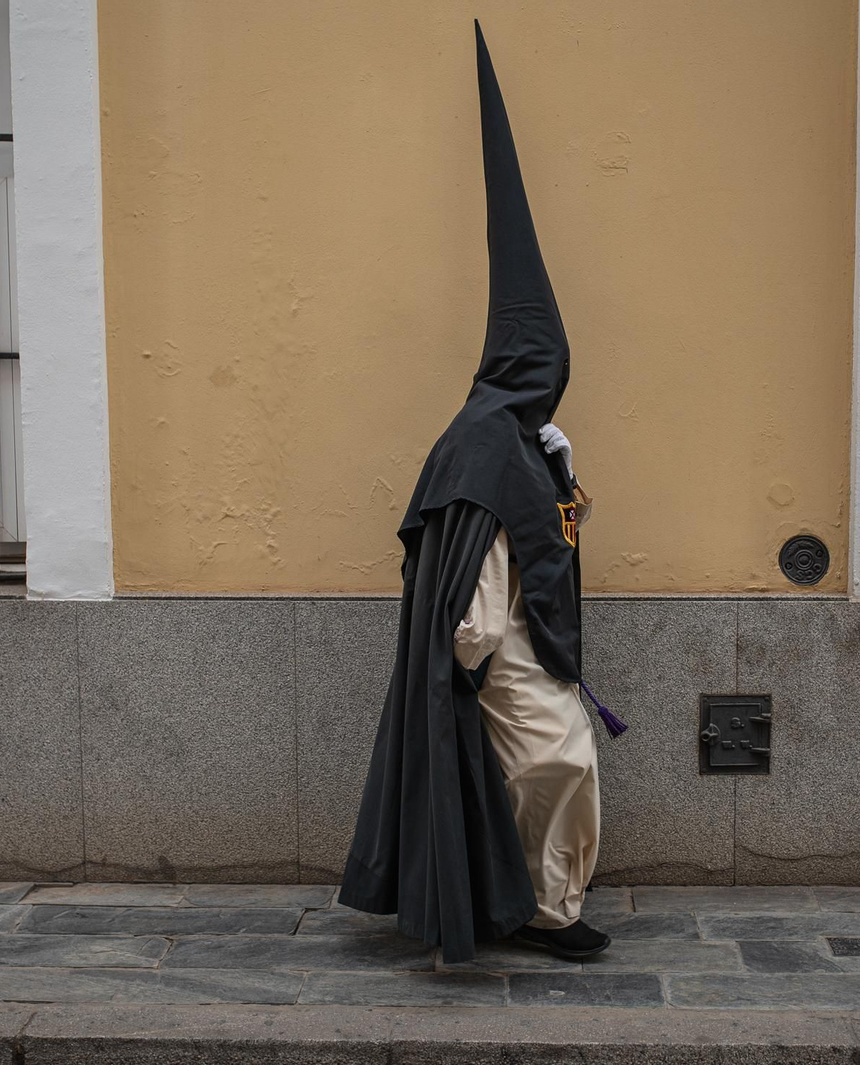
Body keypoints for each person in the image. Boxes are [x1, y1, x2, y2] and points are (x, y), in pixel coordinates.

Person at [337, 21, 623, 964]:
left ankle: (541, 901)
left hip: (527, 647)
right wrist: (475, 657)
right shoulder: (481, 444)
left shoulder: (515, 440)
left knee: (554, 762)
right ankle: (547, 912)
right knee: (557, 758)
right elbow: (476, 565)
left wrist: (565, 475)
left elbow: (556, 534)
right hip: (504, 652)